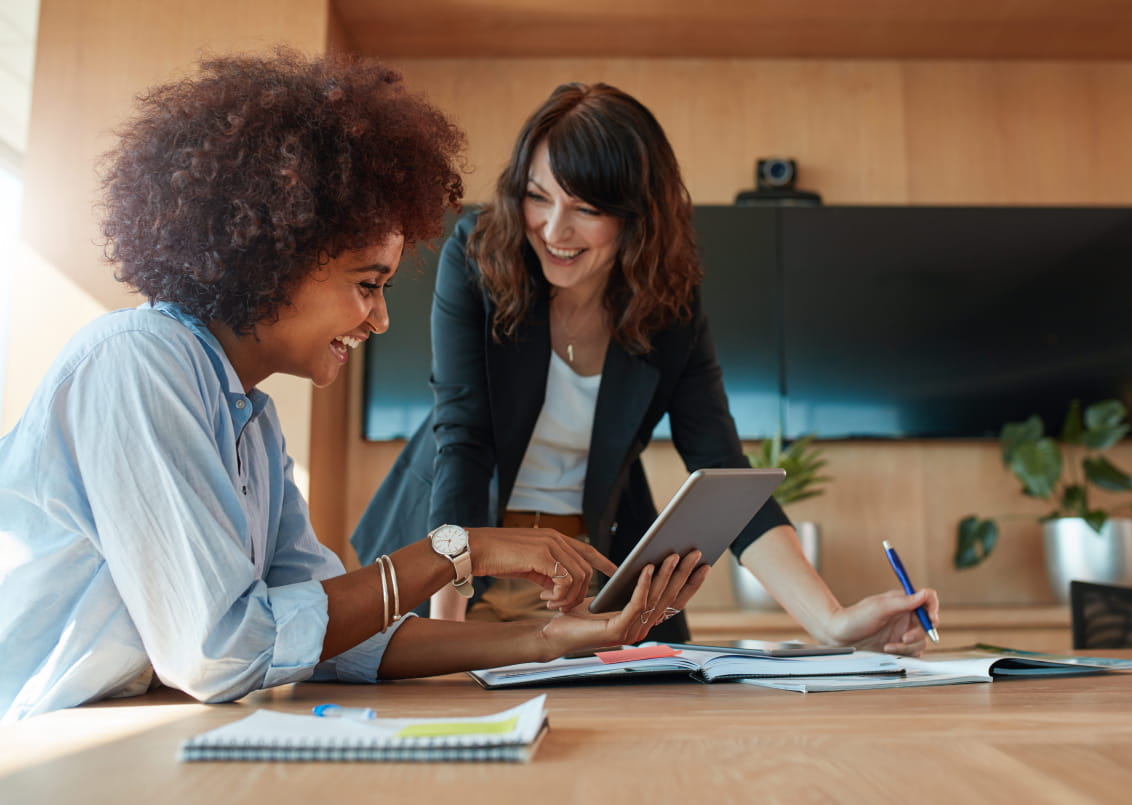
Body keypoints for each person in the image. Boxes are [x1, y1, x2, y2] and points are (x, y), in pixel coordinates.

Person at [0, 54, 706, 723]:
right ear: (275, 256)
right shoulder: (138, 362)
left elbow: (333, 637)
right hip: (39, 736)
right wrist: (460, 550)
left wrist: (548, 639)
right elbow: (222, 650)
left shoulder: (251, 421)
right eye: (367, 285)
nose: (379, 316)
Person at [352, 82, 939, 652]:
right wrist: (447, 636)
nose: (554, 230)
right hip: (453, 567)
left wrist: (833, 623)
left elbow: (722, 469)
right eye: (538, 196)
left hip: (583, 582)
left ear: (636, 215)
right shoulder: (480, 255)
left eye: (585, 208)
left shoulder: (668, 304)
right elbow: (465, 440)